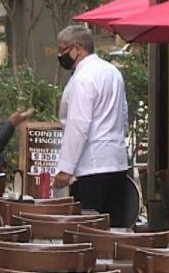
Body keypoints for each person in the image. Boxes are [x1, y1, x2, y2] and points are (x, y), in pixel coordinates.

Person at [52, 24, 130, 227]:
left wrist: (66, 168)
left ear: (77, 48)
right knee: (115, 227)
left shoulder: (83, 78)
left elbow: (78, 124)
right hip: (117, 162)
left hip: (91, 165)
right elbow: (123, 113)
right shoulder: (112, 72)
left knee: (89, 230)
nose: (61, 55)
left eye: (63, 49)